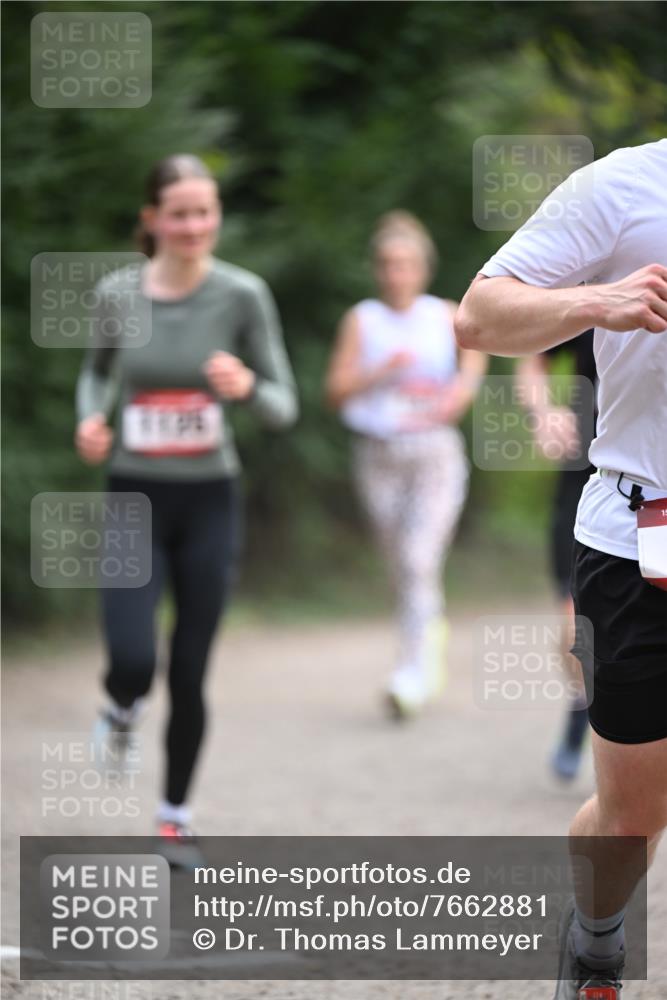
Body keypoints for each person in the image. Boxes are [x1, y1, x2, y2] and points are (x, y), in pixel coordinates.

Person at [455, 139, 667, 999]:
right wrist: (598, 301)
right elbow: (478, 317)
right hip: (639, 536)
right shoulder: (620, 187)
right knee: (633, 813)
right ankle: (596, 936)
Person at [75, 154, 298, 860]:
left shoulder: (242, 295)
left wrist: (245, 387)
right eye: (179, 214)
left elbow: (283, 406)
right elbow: (96, 372)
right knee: (133, 657)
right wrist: (91, 419)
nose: (194, 225)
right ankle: (121, 706)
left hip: (209, 500)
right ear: (152, 220)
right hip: (133, 496)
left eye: (205, 212)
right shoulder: (116, 294)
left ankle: (174, 815)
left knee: (191, 668)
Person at [325, 211, 487, 719]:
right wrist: (378, 372)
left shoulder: (445, 315)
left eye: (406, 264)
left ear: (423, 268)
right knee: (402, 564)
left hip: (434, 454)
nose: (397, 273)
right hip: (379, 455)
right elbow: (335, 391)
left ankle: (411, 673)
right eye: (389, 264)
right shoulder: (363, 320)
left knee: (419, 559)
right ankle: (426, 636)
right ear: (378, 269)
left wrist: (459, 395)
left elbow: (475, 359)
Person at [515, 331, 596, 780]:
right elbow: (533, 355)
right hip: (587, 486)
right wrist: (542, 411)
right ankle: (584, 707)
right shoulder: (607, 299)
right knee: (575, 628)